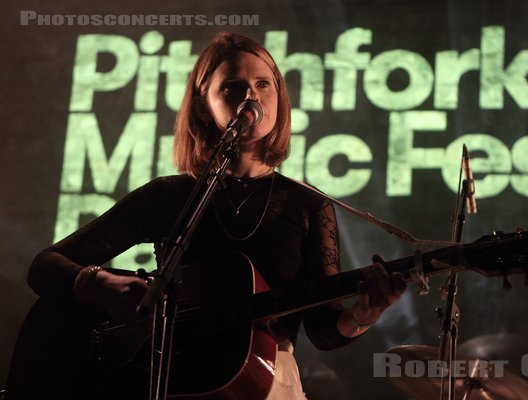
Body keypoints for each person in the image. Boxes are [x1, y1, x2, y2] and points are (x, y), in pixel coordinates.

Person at [12, 32, 406, 399]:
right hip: (166, 382)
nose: (251, 94)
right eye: (233, 86)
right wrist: (97, 284)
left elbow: (322, 330)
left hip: (262, 384)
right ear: (205, 103)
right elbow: (44, 266)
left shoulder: (306, 205)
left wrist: (363, 314)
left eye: (263, 84)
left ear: (279, 98)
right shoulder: (170, 195)